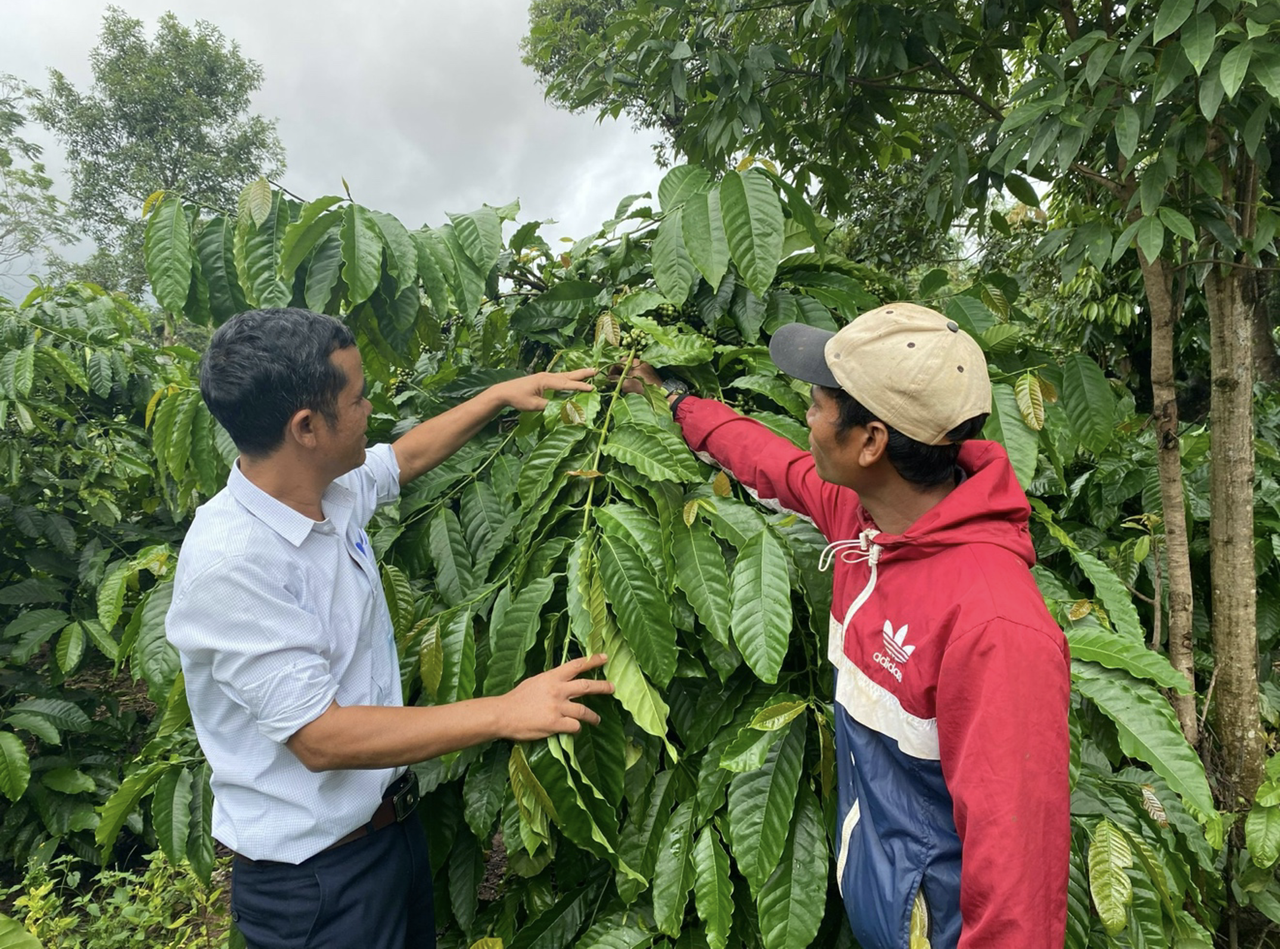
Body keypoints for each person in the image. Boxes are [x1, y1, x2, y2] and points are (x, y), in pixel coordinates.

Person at [618, 302, 1069, 949]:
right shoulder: (865, 523)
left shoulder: (994, 625)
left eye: (817, 402)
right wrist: (675, 402)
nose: (805, 415)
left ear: (870, 441)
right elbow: (768, 462)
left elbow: (1018, 902)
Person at [165, 307, 614, 949]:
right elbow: (320, 737)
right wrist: (504, 712)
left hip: (389, 837)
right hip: (318, 884)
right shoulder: (233, 562)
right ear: (307, 427)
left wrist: (496, 397)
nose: (371, 406)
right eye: (357, 396)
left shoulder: (328, 486)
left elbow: (403, 457)